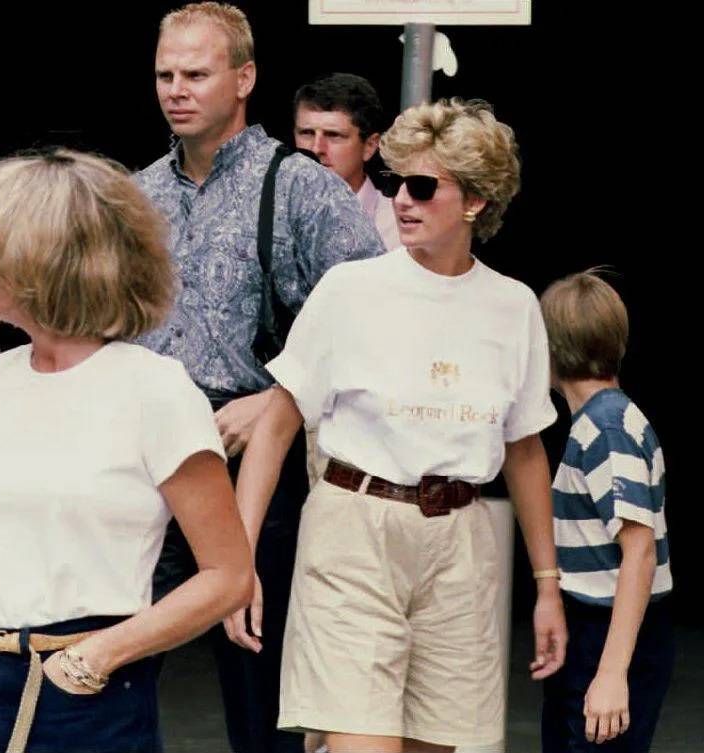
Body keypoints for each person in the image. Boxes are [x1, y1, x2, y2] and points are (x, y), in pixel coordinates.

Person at [226, 98, 567, 752]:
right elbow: (275, 425)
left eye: (421, 185)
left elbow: (524, 448)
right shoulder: (350, 290)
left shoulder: (512, 305)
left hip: (463, 545)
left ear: (474, 200)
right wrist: (238, 562)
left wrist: (546, 584)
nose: (400, 199)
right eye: (393, 181)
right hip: (355, 534)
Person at [0, 149, 254, 753]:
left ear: (51, 255)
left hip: (83, 693)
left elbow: (228, 577)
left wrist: (100, 655)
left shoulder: (155, 389)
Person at [135, 5, 383, 751]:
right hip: (145, 456)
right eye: (164, 75)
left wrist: (279, 396)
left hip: (254, 462)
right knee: (112, 654)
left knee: (256, 676)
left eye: (196, 74)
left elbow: (376, 323)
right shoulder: (136, 193)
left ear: (243, 78)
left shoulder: (304, 188)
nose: (177, 90)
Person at [539, 270, 673, 751]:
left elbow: (638, 552)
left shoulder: (607, 431)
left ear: (549, 348)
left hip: (612, 635)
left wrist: (612, 673)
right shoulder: (597, 424)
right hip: (591, 628)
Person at [293, 72, 400, 251]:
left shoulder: (399, 228)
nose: (316, 148)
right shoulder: (267, 217)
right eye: (307, 133)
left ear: (370, 146)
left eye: (334, 135)